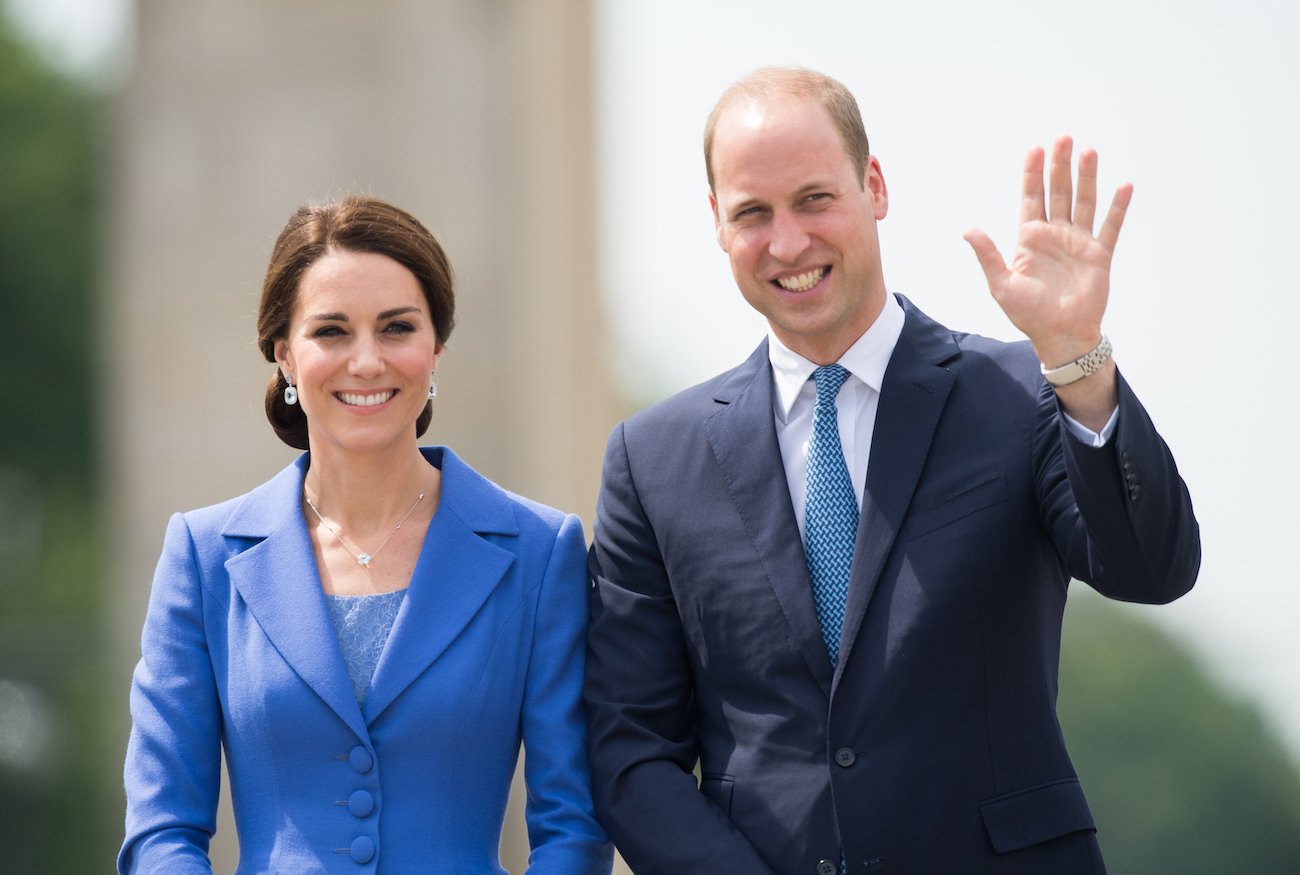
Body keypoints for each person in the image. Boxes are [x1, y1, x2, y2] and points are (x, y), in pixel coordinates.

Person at [583, 67, 1200, 874]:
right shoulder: (653, 460)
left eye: (814, 199)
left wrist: (1079, 362)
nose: (789, 242)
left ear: (874, 186)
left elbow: (1151, 567)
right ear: (717, 223)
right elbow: (631, 749)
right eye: (753, 213)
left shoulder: (1019, 394)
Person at [120, 196, 612, 874]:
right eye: (331, 331)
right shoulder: (203, 557)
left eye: (396, 327)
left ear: (435, 346)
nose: (366, 360)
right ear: (284, 354)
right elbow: (161, 829)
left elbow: (574, 826)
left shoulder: (538, 551)